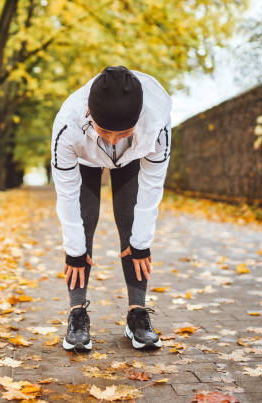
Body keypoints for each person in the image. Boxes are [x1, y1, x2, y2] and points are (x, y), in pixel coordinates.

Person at [50, 65, 172, 351]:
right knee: (84, 222)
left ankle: (137, 314)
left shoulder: (156, 121)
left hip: (133, 157)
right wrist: (74, 252)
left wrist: (142, 244)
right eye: (106, 132)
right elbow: (66, 194)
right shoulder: (67, 126)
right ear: (90, 115)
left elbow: (152, 186)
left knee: (132, 227)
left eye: (123, 133)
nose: (113, 141)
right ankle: (77, 314)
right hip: (84, 158)